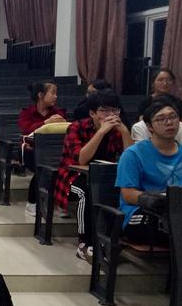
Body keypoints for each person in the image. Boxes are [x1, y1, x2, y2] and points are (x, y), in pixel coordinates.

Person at [54, 90, 131, 260]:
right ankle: (84, 243)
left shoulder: (117, 130)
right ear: (92, 113)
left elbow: (130, 159)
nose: (110, 115)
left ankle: (109, 240)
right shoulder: (76, 127)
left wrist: (125, 131)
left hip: (104, 176)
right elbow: (81, 159)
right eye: (104, 110)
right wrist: (101, 132)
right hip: (73, 176)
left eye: (114, 110)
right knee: (86, 192)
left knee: (121, 191)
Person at [116, 100, 182, 244]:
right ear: (149, 126)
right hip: (143, 211)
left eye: (173, 117)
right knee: (169, 225)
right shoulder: (133, 154)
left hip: (179, 210)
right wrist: (159, 201)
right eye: (161, 119)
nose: (169, 122)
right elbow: (128, 194)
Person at [18, 81, 67, 217]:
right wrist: (45, 123)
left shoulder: (58, 113)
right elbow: (26, 130)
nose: (56, 96)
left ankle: (56, 204)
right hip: (30, 151)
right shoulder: (27, 112)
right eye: (53, 93)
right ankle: (32, 203)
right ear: (40, 95)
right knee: (42, 169)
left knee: (58, 167)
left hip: (52, 151)